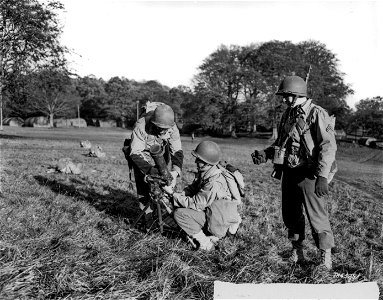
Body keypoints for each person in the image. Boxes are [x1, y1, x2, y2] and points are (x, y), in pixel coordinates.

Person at [251, 75, 337, 271]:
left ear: (296, 94)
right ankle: (297, 252)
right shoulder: (288, 115)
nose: (283, 99)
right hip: (290, 172)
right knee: (291, 215)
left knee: (317, 217)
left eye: (286, 95)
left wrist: (322, 176)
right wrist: (266, 154)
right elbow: (282, 143)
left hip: (310, 175)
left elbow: (328, 146)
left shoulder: (317, 114)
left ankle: (325, 257)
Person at [163, 141, 241, 251]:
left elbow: (196, 204)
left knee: (180, 214)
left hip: (218, 218)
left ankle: (205, 243)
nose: (195, 161)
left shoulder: (213, 182)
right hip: (213, 210)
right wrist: (177, 195)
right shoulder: (207, 172)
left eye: (198, 160)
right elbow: (193, 188)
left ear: (207, 162)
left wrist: (172, 195)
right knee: (180, 204)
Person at [128, 103, 183, 226]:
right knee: (144, 186)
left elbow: (177, 150)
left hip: (162, 153)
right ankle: (147, 219)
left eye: (166, 128)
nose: (163, 131)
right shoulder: (141, 126)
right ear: (153, 123)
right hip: (142, 155)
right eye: (160, 128)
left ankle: (163, 213)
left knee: (164, 182)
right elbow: (135, 153)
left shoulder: (173, 127)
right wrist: (151, 171)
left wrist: (175, 172)